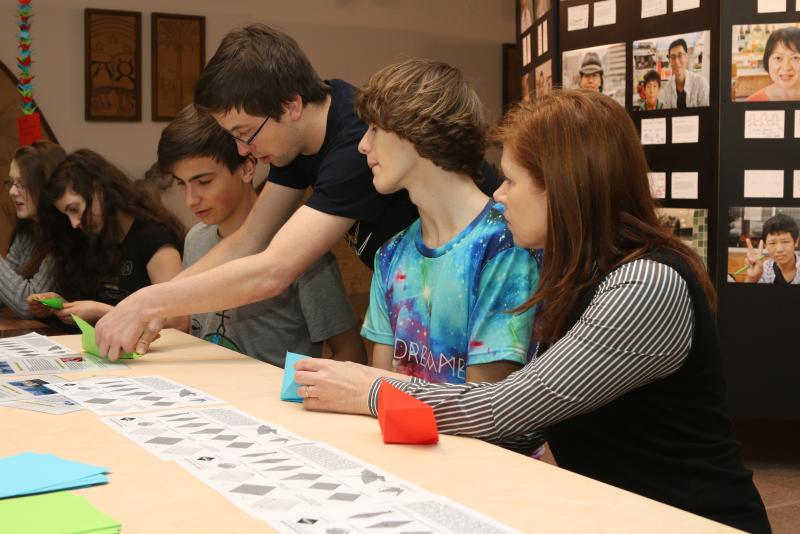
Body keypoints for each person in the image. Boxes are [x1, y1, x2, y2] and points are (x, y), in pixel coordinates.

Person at [292, 91, 771, 533]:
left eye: (513, 181)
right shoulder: (575, 271)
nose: (499, 196)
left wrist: (372, 389)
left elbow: (505, 409)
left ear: (563, 189)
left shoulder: (643, 284)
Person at [93, 24, 497, 359]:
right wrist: (152, 300)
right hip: (418, 300)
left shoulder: (353, 143)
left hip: (480, 283)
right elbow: (250, 239)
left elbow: (274, 271)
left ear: (291, 106)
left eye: (244, 133)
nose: (242, 150)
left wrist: (150, 303)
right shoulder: (302, 135)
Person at [355, 58, 538, 384]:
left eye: (375, 128)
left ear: (415, 130)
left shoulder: (506, 243)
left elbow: (484, 405)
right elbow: (377, 391)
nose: (363, 145)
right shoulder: (390, 255)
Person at [158, 104, 366, 365]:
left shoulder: (299, 248)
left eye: (204, 182)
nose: (190, 199)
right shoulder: (196, 239)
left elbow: (351, 352)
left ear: (247, 168)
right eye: (181, 183)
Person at [28, 149, 186, 328]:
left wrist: (98, 311)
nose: (73, 223)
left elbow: (178, 321)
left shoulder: (153, 237)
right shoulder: (92, 238)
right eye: (66, 214)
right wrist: (65, 306)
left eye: (74, 209)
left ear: (98, 190)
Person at [0, 141, 65, 318]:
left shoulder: (66, 234)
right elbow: (5, 292)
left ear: (45, 187)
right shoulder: (28, 230)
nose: (12, 192)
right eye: (11, 182)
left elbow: (28, 305)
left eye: (21, 183)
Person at [746, 27, 800, 102]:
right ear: (767, 60)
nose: (786, 67)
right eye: (778, 58)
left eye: (795, 58)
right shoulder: (752, 102)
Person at [744, 213, 799, 284]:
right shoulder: (762, 270)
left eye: (785, 242)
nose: (779, 249)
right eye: (772, 243)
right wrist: (752, 279)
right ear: (765, 245)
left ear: (796, 242)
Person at [659, 38, 709, 108]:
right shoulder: (667, 89)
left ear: (686, 57)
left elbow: (707, 116)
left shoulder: (701, 84)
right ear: (669, 61)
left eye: (680, 55)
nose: (676, 61)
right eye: (673, 57)